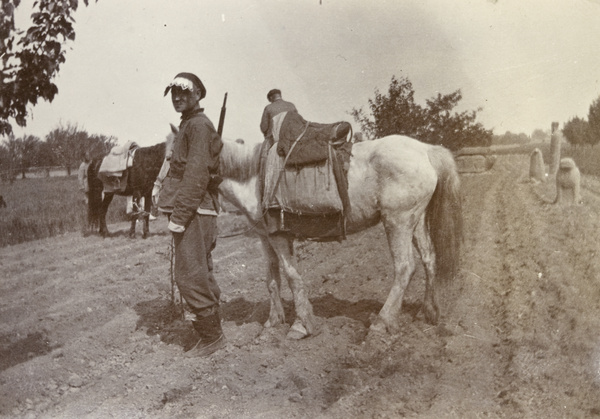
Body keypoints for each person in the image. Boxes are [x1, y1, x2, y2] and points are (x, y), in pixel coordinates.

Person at [160, 72, 225, 357]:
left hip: (195, 212)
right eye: (174, 93)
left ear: (197, 94)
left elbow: (196, 174)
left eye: (184, 93)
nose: (177, 97)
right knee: (200, 271)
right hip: (198, 211)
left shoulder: (197, 126)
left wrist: (179, 215)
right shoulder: (191, 124)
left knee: (189, 274)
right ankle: (211, 334)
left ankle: (212, 338)